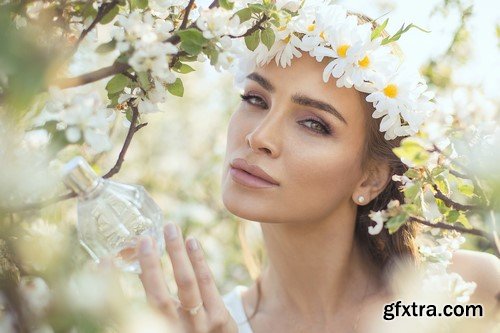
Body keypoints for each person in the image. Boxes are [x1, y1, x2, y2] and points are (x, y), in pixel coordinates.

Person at [133, 3, 500, 333]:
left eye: (314, 124)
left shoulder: (461, 292)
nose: (259, 137)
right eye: (255, 99)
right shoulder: (207, 325)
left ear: (371, 178)